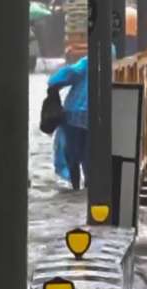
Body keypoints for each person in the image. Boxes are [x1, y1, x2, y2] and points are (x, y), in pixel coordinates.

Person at [48, 56, 89, 190]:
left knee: (72, 154)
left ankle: (76, 187)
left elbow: (69, 73)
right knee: (89, 155)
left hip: (75, 113)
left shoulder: (88, 61)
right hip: (95, 115)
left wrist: (53, 83)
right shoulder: (113, 62)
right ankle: (88, 187)